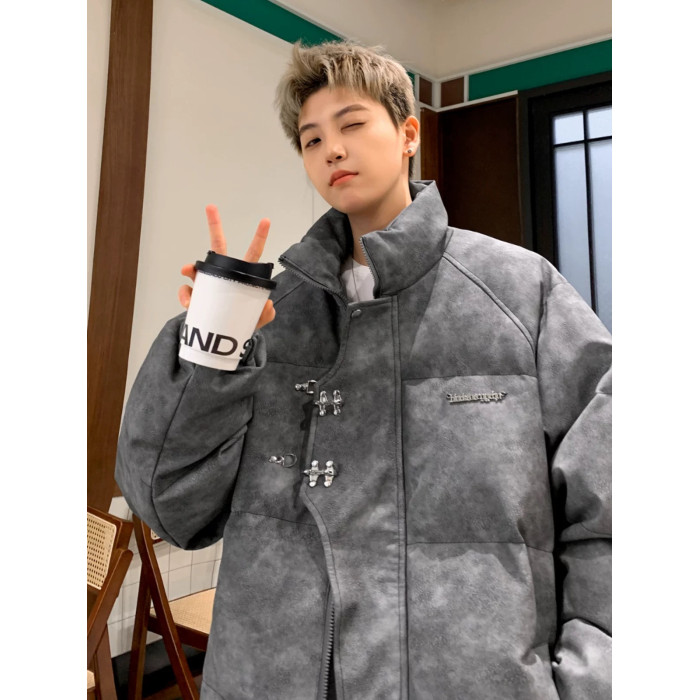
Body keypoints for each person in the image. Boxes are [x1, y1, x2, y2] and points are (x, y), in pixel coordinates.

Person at [116, 40, 611, 700]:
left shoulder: (521, 292)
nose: (332, 150)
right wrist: (212, 348)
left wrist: (591, 680)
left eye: (351, 124)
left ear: (408, 134)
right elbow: (170, 506)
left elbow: (613, 506)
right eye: (312, 139)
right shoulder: (274, 315)